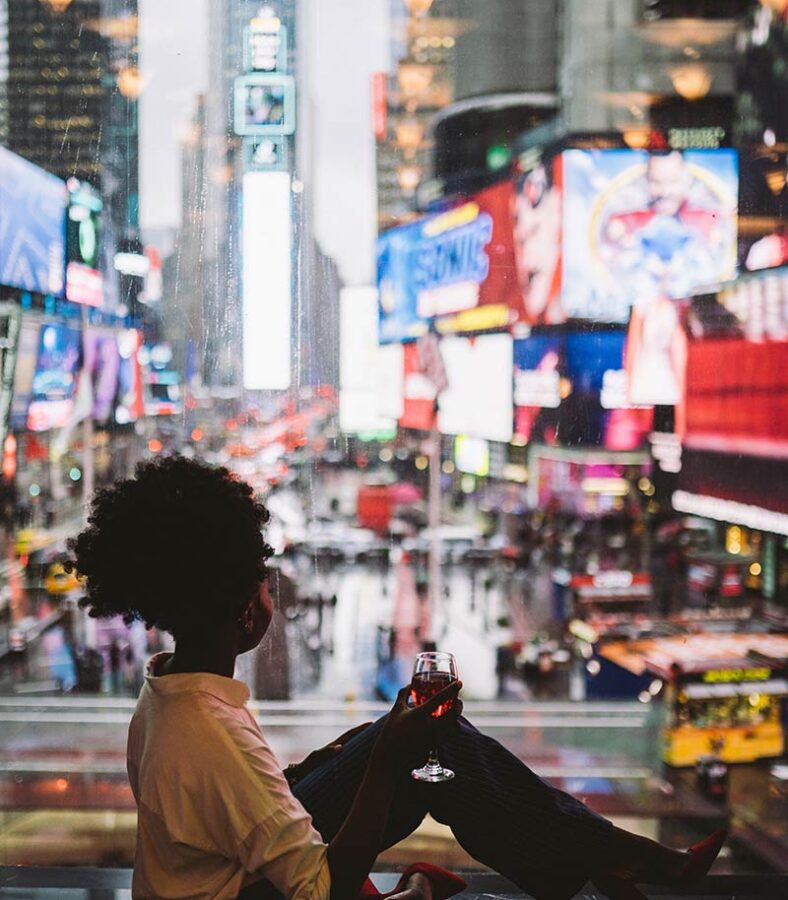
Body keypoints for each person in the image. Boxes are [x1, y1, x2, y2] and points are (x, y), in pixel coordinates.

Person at [67, 457, 726, 900]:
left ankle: (600, 863)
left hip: (229, 876)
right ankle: (615, 864)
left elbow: (230, 809)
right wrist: (382, 763)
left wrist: (365, 747)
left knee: (408, 738)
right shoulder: (209, 734)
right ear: (245, 608)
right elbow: (320, 888)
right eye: (264, 583)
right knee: (424, 749)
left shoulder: (166, 694)